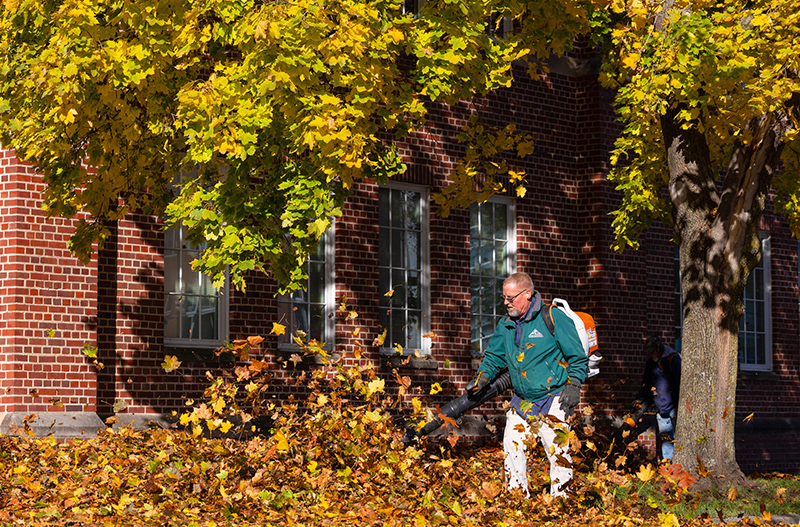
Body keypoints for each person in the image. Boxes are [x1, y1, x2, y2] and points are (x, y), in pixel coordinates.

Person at [467, 272, 588, 498]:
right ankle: (516, 499)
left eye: (510, 298)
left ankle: (562, 503)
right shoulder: (506, 325)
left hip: (554, 398)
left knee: (558, 454)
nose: (506, 303)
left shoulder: (553, 317)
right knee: (512, 449)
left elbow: (578, 357)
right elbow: (494, 356)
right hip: (522, 400)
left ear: (527, 294)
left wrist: (574, 386)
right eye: (504, 297)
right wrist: (482, 377)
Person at [630, 335, 681, 461]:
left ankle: (679, 467)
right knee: (666, 440)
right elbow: (646, 383)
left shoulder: (672, 360)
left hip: (675, 407)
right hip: (662, 408)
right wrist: (639, 399)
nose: (650, 355)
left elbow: (681, 383)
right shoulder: (651, 363)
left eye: (651, 352)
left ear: (658, 348)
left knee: (678, 439)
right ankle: (668, 466)